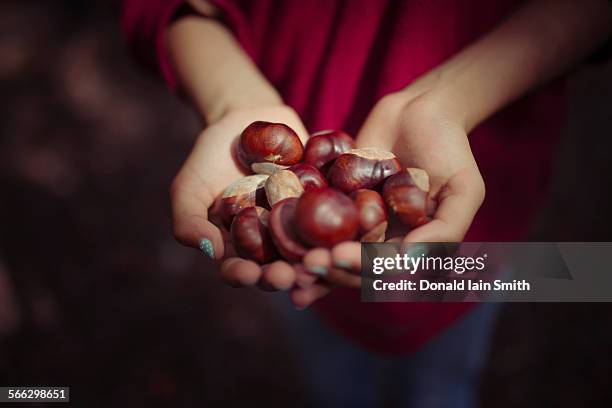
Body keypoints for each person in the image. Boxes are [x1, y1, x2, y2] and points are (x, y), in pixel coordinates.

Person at [121, 0, 612, 405]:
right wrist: (232, 101)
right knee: (336, 375)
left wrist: (449, 100)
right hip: (316, 278)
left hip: (480, 221)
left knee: (444, 376)